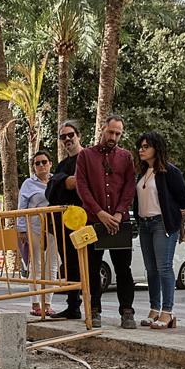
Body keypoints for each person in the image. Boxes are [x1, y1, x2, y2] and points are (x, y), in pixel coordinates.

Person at [75, 115, 137, 328]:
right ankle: (94, 310)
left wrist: (119, 214)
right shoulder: (85, 156)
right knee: (93, 268)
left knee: (123, 269)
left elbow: (130, 187)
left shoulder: (126, 157)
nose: (114, 137)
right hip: (94, 221)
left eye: (118, 134)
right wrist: (100, 212)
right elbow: (82, 188)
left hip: (120, 222)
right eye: (111, 132)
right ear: (103, 129)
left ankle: (127, 312)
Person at [133, 131, 185, 329]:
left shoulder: (170, 172)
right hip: (144, 224)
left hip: (162, 225)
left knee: (164, 267)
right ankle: (154, 309)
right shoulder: (141, 173)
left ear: (157, 148)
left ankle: (168, 312)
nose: (141, 149)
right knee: (150, 269)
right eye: (140, 146)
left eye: (146, 146)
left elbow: (184, 200)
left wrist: (172, 219)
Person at [46, 120, 86, 321]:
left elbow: (80, 185)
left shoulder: (87, 158)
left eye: (71, 135)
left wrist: (61, 181)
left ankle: (92, 310)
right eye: (63, 137)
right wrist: (63, 181)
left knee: (87, 266)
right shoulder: (62, 164)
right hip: (64, 224)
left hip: (85, 221)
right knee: (70, 265)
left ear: (78, 135)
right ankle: (73, 306)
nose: (68, 140)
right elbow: (53, 190)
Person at [17, 150, 60, 316]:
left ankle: (47, 303)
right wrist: (21, 229)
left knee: (52, 264)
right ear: (34, 167)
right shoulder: (28, 183)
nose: (41, 165)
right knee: (36, 264)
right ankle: (35, 302)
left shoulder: (56, 180)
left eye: (44, 162)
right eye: (37, 163)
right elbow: (22, 207)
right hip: (34, 227)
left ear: (50, 163)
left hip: (54, 227)